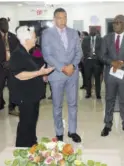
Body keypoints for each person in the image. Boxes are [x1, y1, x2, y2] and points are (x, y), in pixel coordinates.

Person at [9, 26, 54, 147]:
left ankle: (32, 144)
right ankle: (22, 148)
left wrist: (41, 73)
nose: (36, 39)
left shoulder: (26, 53)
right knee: (26, 123)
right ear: (26, 39)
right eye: (34, 37)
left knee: (31, 122)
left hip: (32, 95)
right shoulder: (18, 54)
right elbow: (19, 75)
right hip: (25, 96)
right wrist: (40, 73)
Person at [42, 8, 82, 143]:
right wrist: (63, 68)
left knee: (73, 104)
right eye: (60, 17)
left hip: (73, 74)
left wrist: (73, 66)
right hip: (57, 74)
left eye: (65, 17)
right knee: (57, 105)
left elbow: (79, 52)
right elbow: (47, 55)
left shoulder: (73, 33)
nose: (63, 20)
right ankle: (59, 132)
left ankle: (72, 131)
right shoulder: (47, 34)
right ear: (54, 19)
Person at [99, 15, 124, 137]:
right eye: (114, 22)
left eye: (118, 22)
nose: (115, 24)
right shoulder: (106, 38)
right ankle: (107, 125)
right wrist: (112, 62)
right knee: (109, 100)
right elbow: (101, 55)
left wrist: (122, 64)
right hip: (110, 75)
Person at [0, 18, 20, 122]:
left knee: (13, 89)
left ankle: (12, 108)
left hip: (11, 67)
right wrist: (2, 62)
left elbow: (17, 51)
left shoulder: (13, 37)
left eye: (6, 24)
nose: (6, 26)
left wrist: (11, 62)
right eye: (3, 24)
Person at [82, 27, 103, 99]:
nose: (92, 31)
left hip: (97, 61)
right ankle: (88, 93)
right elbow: (83, 49)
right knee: (88, 78)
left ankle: (98, 94)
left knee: (97, 78)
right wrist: (89, 54)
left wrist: (96, 56)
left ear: (96, 31)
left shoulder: (100, 39)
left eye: (94, 30)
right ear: (89, 31)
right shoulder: (85, 39)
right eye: (91, 30)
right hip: (88, 61)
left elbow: (102, 50)